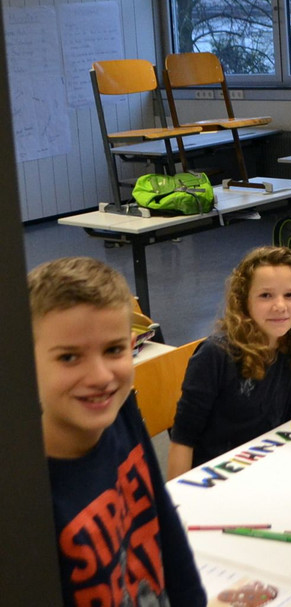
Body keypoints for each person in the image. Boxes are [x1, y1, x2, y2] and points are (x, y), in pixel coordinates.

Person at [28, 257, 205, 605]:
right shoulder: (25, 490)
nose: (100, 377)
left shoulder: (122, 412)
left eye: (113, 350)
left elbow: (165, 526)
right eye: (69, 357)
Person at [167, 246, 291, 478]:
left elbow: (287, 422)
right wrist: (179, 499)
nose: (280, 306)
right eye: (266, 295)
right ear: (244, 301)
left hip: (263, 469)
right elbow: (183, 440)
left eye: (289, 295)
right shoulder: (215, 355)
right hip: (216, 478)